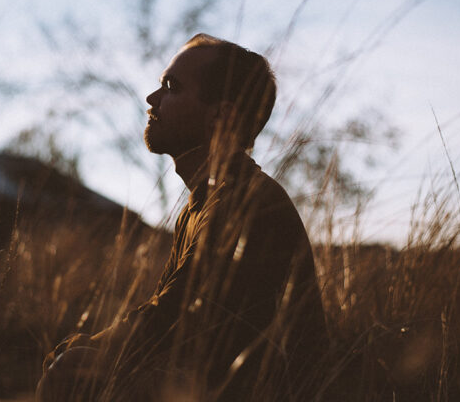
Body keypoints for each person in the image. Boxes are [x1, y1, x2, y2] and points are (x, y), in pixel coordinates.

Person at [37, 34, 329, 401]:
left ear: (221, 116)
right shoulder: (201, 203)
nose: (152, 99)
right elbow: (168, 317)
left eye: (171, 87)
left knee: (72, 373)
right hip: (219, 384)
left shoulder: (244, 203)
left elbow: (173, 320)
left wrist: (90, 349)